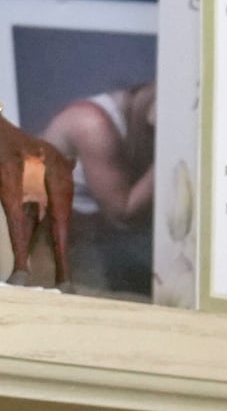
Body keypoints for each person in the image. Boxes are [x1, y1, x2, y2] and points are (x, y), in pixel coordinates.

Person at [42, 76, 155, 295]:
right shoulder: (92, 125)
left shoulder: (136, 117)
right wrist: (174, 154)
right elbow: (122, 214)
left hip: (95, 236)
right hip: (54, 238)